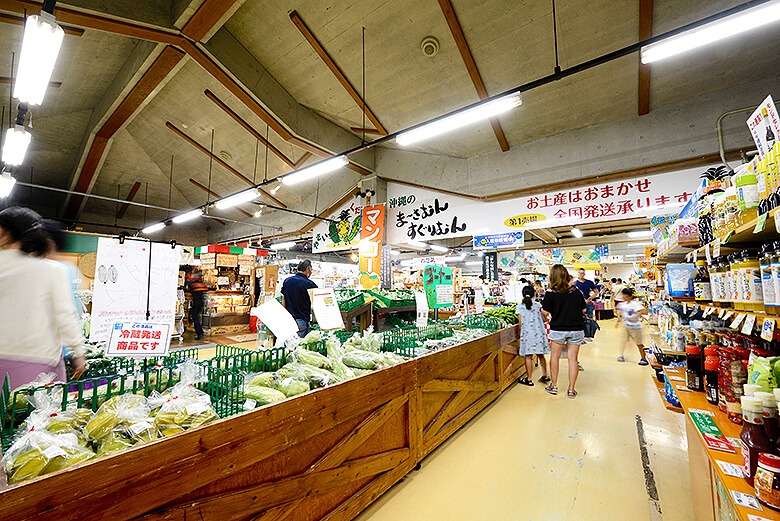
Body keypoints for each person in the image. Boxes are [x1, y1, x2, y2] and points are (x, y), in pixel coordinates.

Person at [0, 207, 86, 388]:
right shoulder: (52, 270)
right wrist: (78, 352)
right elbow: (64, 316)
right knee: (34, 414)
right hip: (39, 363)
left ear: (4, 232)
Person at [542, 264, 586, 398]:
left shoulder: (550, 293)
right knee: (573, 359)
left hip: (558, 328)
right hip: (577, 329)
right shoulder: (576, 291)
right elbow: (583, 309)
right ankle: (571, 389)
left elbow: (545, 311)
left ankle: (554, 386)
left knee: (554, 357)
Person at [515, 285, 550, 386]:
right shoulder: (538, 305)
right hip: (538, 333)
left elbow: (520, 322)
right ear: (533, 294)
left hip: (527, 334)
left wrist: (521, 333)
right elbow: (544, 320)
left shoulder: (520, 306)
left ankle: (529, 379)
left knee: (528, 357)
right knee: (541, 355)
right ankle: (545, 375)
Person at [281, 259, 318, 337]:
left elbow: (283, 299)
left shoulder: (287, 281)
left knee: (289, 344)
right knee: (300, 346)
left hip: (288, 320)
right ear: (308, 269)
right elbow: (319, 299)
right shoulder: (309, 284)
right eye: (311, 270)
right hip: (301, 320)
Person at [615, 287, 649, 365]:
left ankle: (643, 358)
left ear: (630, 296)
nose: (624, 297)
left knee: (639, 343)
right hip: (626, 326)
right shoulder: (622, 304)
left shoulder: (635, 304)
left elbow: (642, 310)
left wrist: (635, 316)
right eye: (623, 295)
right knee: (623, 341)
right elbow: (619, 311)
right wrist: (618, 319)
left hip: (636, 327)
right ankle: (621, 355)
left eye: (626, 296)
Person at [184, 270, 208, 340]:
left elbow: (188, 289)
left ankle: (199, 333)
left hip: (195, 303)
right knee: (197, 317)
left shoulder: (193, 283)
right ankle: (201, 331)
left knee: (195, 318)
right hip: (201, 303)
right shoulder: (202, 284)